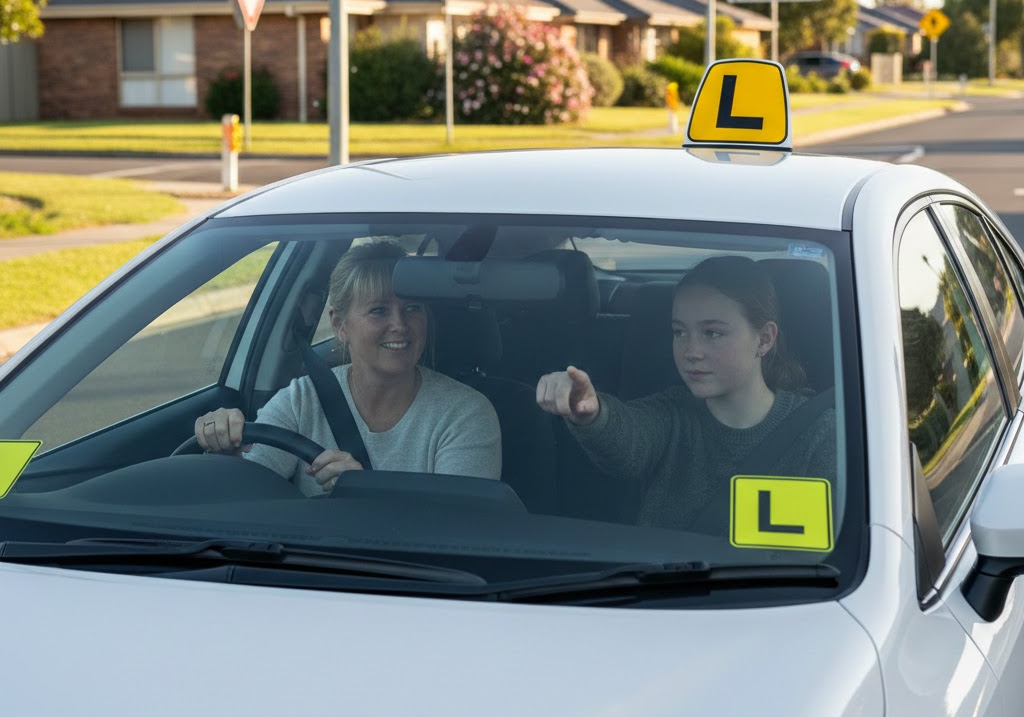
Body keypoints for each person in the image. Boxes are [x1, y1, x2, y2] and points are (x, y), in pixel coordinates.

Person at [535, 255, 836, 532]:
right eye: (680, 332)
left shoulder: (820, 434)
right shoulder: (671, 415)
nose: (691, 351)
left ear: (765, 339)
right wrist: (593, 413)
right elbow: (628, 438)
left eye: (712, 333)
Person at [197, 240, 502, 496]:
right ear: (339, 324)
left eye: (413, 309)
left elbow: (459, 531)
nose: (399, 325)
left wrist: (368, 494)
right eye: (379, 310)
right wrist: (223, 446)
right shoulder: (302, 401)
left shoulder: (465, 414)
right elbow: (245, 493)